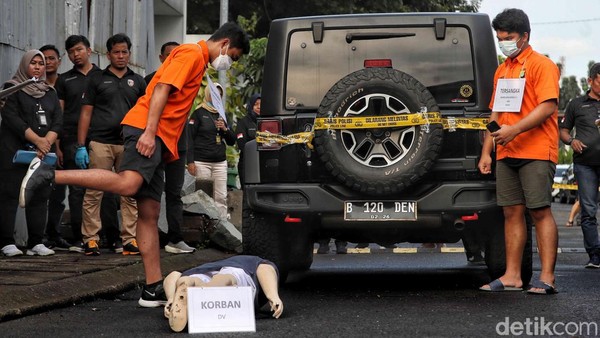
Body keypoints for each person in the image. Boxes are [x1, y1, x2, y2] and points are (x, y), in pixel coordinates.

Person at [19, 22, 249, 306]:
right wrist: (150, 133)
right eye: (234, 56)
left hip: (160, 140)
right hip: (147, 131)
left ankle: (152, 287)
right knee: (128, 183)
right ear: (225, 44)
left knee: (149, 213)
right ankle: (51, 175)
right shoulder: (190, 53)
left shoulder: (198, 61)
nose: (229, 62)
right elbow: (161, 90)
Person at [478, 8, 560, 294]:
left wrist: (515, 130)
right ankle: (512, 276)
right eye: (500, 38)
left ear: (525, 36)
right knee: (511, 212)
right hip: (506, 153)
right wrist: (486, 152)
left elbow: (547, 106)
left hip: (536, 150)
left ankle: (547, 278)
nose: (504, 42)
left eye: (509, 37)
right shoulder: (503, 69)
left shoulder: (542, 65)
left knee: (539, 212)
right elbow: (496, 113)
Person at [76, 33, 146, 256]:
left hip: (129, 144)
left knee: (129, 193)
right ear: (108, 54)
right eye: (116, 52)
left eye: (125, 51)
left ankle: (130, 239)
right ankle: (90, 239)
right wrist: (80, 145)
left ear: (129, 53)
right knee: (94, 191)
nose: (121, 56)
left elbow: (145, 113)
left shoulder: (138, 80)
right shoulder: (96, 79)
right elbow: (86, 113)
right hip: (100, 143)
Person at [0, 50, 62, 257]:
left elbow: (58, 120)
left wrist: (46, 143)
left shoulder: (49, 91)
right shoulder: (12, 88)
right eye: (33, 63)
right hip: (15, 151)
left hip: (42, 154)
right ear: (24, 65)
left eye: (40, 63)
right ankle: (7, 242)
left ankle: (37, 242)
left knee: (40, 195)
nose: (37, 67)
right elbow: (11, 118)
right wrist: (38, 141)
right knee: (10, 194)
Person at [54, 35, 102, 253]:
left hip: (101, 138)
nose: (76, 55)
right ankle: (78, 238)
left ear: (89, 50)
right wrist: (57, 144)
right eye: (71, 51)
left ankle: (106, 237)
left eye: (79, 50)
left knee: (104, 188)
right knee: (76, 190)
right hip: (71, 140)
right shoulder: (64, 79)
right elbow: (59, 112)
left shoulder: (102, 76)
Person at [146, 41, 195, 254]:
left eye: (176, 56)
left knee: (174, 192)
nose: (172, 59)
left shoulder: (187, 81)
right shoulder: (150, 80)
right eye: (168, 55)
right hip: (155, 142)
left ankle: (175, 238)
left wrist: (191, 156)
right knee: (150, 191)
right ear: (161, 58)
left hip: (178, 144)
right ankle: (150, 238)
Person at [163, 255, 283, 332]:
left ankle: (191, 283)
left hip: (199, 271)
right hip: (239, 272)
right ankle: (207, 289)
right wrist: (272, 295)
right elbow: (265, 268)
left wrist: (171, 298)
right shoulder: (256, 262)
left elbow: (173, 275)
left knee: (187, 277)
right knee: (227, 279)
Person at [559, 62, 600, 268]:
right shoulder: (576, 104)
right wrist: (571, 141)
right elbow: (564, 130)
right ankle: (595, 255)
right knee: (588, 210)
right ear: (590, 81)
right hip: (585, 165)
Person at [39, 44, 72, 251]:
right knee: (41, 192)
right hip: (37, 144)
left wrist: (58, 147)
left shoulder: (66, 83)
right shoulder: (34, 85)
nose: (48, 62)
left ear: (59, 61)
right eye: (44, 59)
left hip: (60, 143)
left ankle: (54, 233)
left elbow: (61, 119)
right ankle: (39, 235)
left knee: (59, 194)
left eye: (52, 58)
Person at [186, 82, 235, 220]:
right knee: (204, 195)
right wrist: (190, 162)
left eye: (219, 95)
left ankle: (222, 225)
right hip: (202, 161)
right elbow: (189, 138)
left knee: (221, 196)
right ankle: (204, 226)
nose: (216, 98)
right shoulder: (198, 113)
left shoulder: (222, 115)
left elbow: (232, 141)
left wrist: (225, 129)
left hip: (220, 162)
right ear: (208, 95)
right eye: (214, 95)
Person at [235, 93, 260, 187]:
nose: (259, 107)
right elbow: (241, 143)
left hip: (265, 163)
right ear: (251, 106)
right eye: (256, 104)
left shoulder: (269, 121)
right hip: (248, 163)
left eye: (261, 104)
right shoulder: (243, 122)